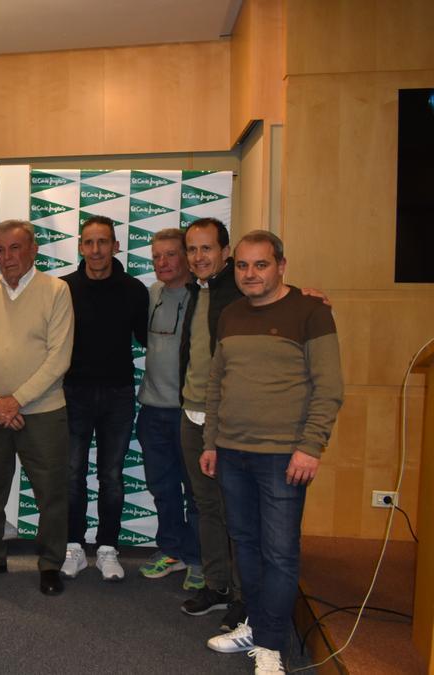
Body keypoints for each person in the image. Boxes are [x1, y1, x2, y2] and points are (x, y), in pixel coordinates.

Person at [200, 231, 342, 675]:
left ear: (281, 265)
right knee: (245, 547)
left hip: (284, 457)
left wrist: (309, 446)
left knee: (279, 552)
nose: (250, 274)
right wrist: (211, 442)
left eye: (260, 265)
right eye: (242, 265)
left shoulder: (311, 312)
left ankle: (270, 645)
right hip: (232, 453)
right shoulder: (230, 314)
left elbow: (329, 387)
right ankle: (258, 625)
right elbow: (217, 385)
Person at [0, 219, 74, 596]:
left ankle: (51, 563)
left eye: (15, 248)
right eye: (0, 250)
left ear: (33, 250)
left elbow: (59, 359)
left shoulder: (56, 291)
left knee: (50, 492)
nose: (7, 257)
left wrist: (15, 400)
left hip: (43, 411)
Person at [61, 215, 149, 581]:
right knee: (72, 475)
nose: (96, 250)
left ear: (116, 246)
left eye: (103, 242)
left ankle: (108, 549)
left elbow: (150, 339)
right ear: (81, 247)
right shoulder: (61, 288)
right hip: (73, 393)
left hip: (118, 395)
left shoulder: (134, 290)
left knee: (112, 475)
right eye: (89, 242)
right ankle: (74, 547)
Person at [177, 217, 244, 627]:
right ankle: (218, 585)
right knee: (206, 507)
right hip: (190, 413)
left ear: (225, 251)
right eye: (193, 249)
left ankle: (242, 595)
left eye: (206, 248)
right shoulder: (196, 291)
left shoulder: (241, 290)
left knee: (234, 510)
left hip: (228, 421)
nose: (198, 257)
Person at [135, 228, 203, 590]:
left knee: (196, 490)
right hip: (152, 409)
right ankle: (172, 550)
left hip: (190, 412)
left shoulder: (204, 299)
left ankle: (198, 558)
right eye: (156, 256)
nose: (162, 262)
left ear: (187, 258)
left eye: (171, 255)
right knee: (162, 487)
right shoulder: (151, 295)